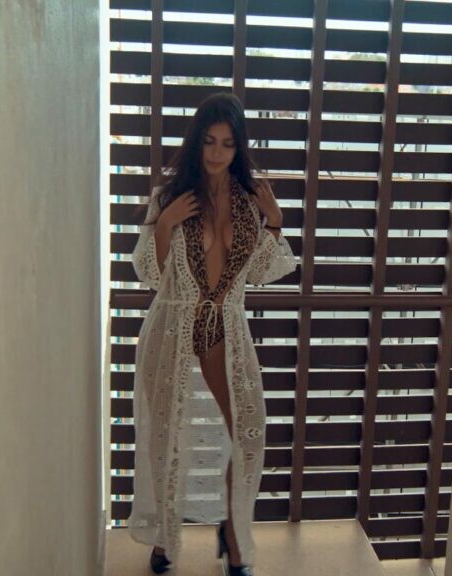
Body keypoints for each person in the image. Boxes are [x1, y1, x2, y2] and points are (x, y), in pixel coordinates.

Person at [127, 92, 298, 576]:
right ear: (196, 142)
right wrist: (164, 225)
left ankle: (233, 534)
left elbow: (261, 271)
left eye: (227, 142)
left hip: (227, 325)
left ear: (239, 146)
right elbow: (148, 272)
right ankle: (165, 539)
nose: (217, 152)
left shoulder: (248, 200)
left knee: (248, 429)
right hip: (172, 325)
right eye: (209, 141)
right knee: (167, 436)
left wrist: (275, 222)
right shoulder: (169, 196)